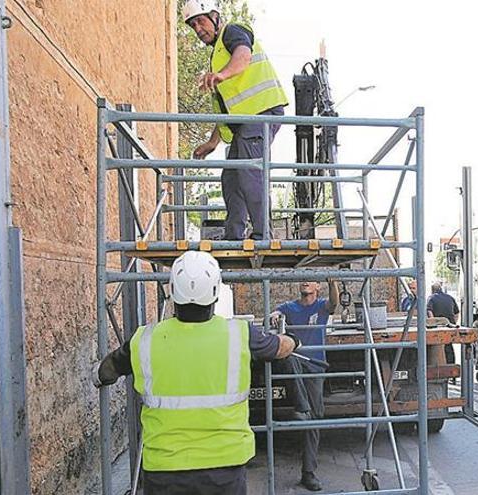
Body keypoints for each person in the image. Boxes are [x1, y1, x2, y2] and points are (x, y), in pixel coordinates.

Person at [93, 251, 301, 495]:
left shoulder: (144, 340)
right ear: (215, 291)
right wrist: (295, 341)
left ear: (171, 290)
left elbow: (107, 370)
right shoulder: (240, 334)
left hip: (164, 470)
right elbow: (280, 347)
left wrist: (97, 377)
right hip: (224, 468)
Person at [183, 0, 289, 240]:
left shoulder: (233, 32)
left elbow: (244, 55)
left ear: (214, 16)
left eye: (200, 21)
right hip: (245, 121)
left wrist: (222, 74)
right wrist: (212, 142)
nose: (198, 29)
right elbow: (226, 108)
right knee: (231, 176)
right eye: (193, 26)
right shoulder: (218, 54)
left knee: (249, 171)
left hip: (262, 113)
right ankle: (234, 235)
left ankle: (263, 234)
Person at [268, 280, 340, 491]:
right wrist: (273, 315)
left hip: (315, 368)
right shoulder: (290, 307)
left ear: (318, 287)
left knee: (314, 421)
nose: (305, 282)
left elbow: (334, 304)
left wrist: (333, 283)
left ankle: (308, 473)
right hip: (296, 364)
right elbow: (275, 312)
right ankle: (301, 406)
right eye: (303, 279)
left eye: (311, 280)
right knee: (289, 358)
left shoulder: (321, 307)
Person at [427, 282, 459, 363]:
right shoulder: (450, 297)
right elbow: (457, 313)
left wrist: (433, 322)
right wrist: (453, 324)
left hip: (439, 326)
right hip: (449, 326)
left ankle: (440, 364)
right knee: (449, 346)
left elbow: (429, 311)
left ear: (432, 290)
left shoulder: (431, 298)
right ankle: (451, 365)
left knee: (438, 347)